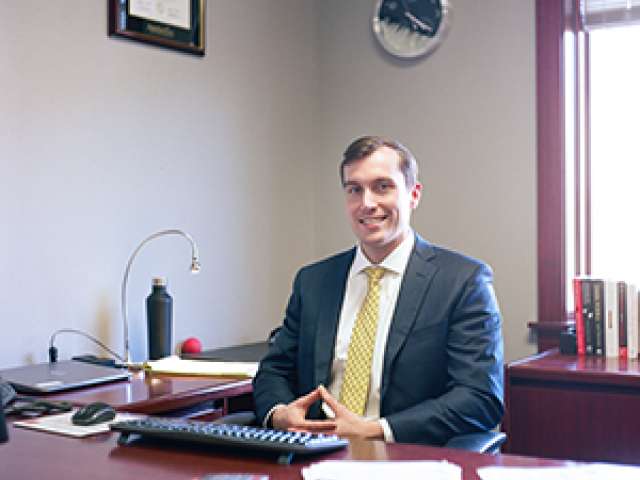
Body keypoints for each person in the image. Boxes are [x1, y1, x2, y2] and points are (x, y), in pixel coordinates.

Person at [252, 136, 504, 445]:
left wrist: (375, 430)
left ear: (413, 194)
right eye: (354, 189)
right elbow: (274, 370)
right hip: (313, 453)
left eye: (382, 186)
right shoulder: (314, 281)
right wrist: (280, 414)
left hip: (405, 457)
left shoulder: (462, 281)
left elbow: (479, 398)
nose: (367, 203)